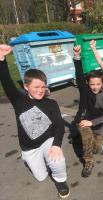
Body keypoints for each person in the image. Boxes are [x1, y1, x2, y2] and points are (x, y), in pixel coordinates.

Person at [0, 44, 70, 198]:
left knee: (57, 159)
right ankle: (36, 160)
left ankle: (60, 180)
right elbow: (6, 81)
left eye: (43, 87)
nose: (40, 90)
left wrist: (56, 145)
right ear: (26, 86)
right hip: (29, 147)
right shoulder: (18, 100)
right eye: (36, 87)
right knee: (41, 177)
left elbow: (59, 125)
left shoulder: (51, 104)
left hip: (47, 141)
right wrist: (1, 59)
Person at [73, 45, 103, 177]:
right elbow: (79, 74)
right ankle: (88, 162)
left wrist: (93, 122)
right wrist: (77, 56)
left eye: (98, 84)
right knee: (87, 139)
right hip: (83, 121)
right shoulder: (84, 90)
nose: (95, 87)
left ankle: (90, 142)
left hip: (96, 124)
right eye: (92, 84)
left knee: (97, 148)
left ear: (102, 83)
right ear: (87, 84)